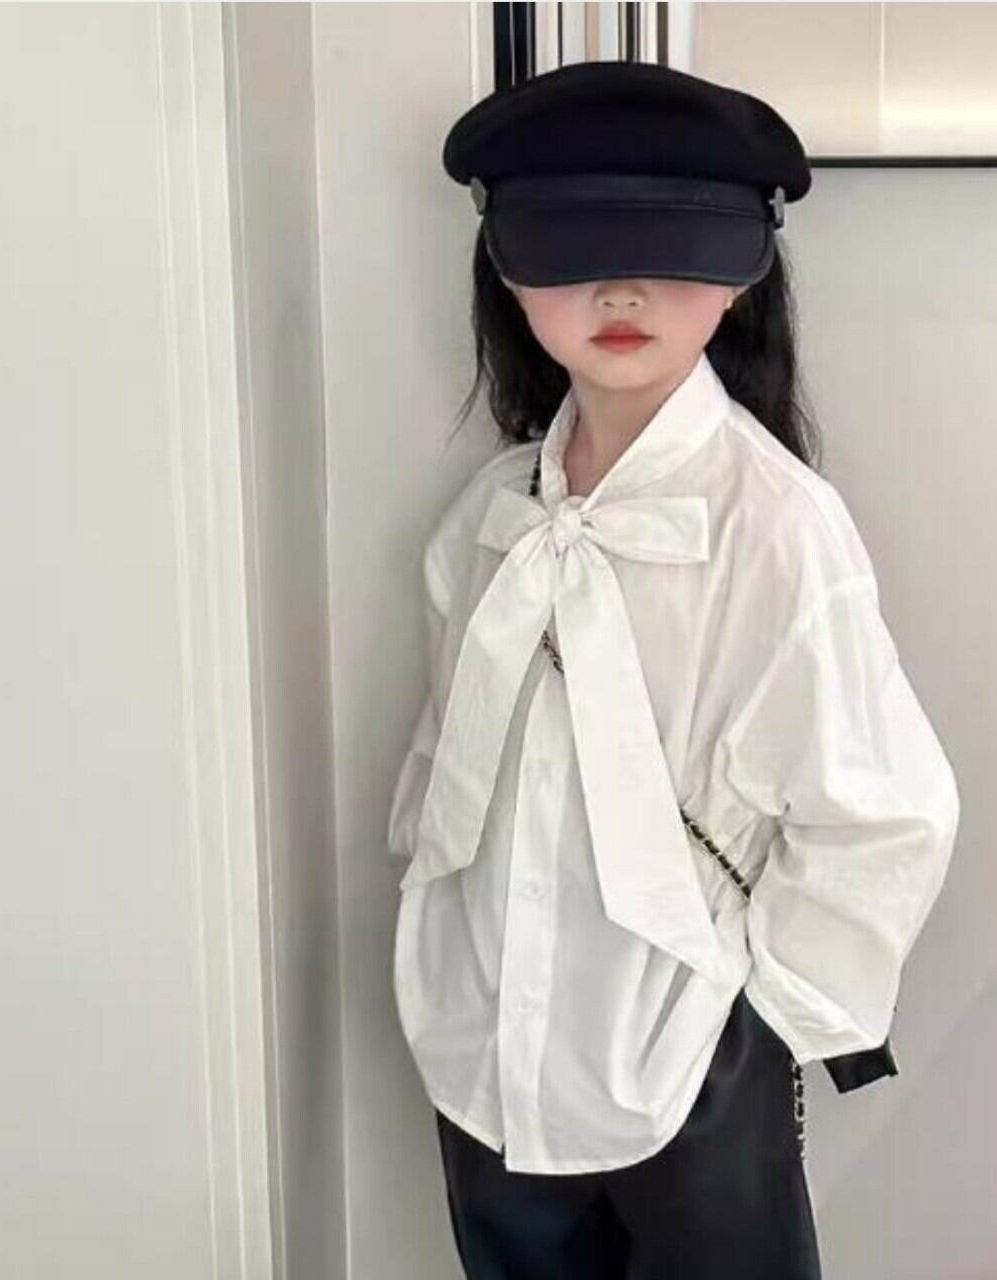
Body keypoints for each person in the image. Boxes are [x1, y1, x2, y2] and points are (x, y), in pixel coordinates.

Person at [385, 59, 960, 1279]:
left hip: (683, 1048)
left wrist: (761, 1013)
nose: (621, 290)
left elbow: (880, 806)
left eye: (668, 248)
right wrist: (440, 920)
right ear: (506, 268)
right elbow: (452, 750)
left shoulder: (776, 527)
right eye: (574, 249)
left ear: (742, 269)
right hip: (488, 1040)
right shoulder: (487, 518)